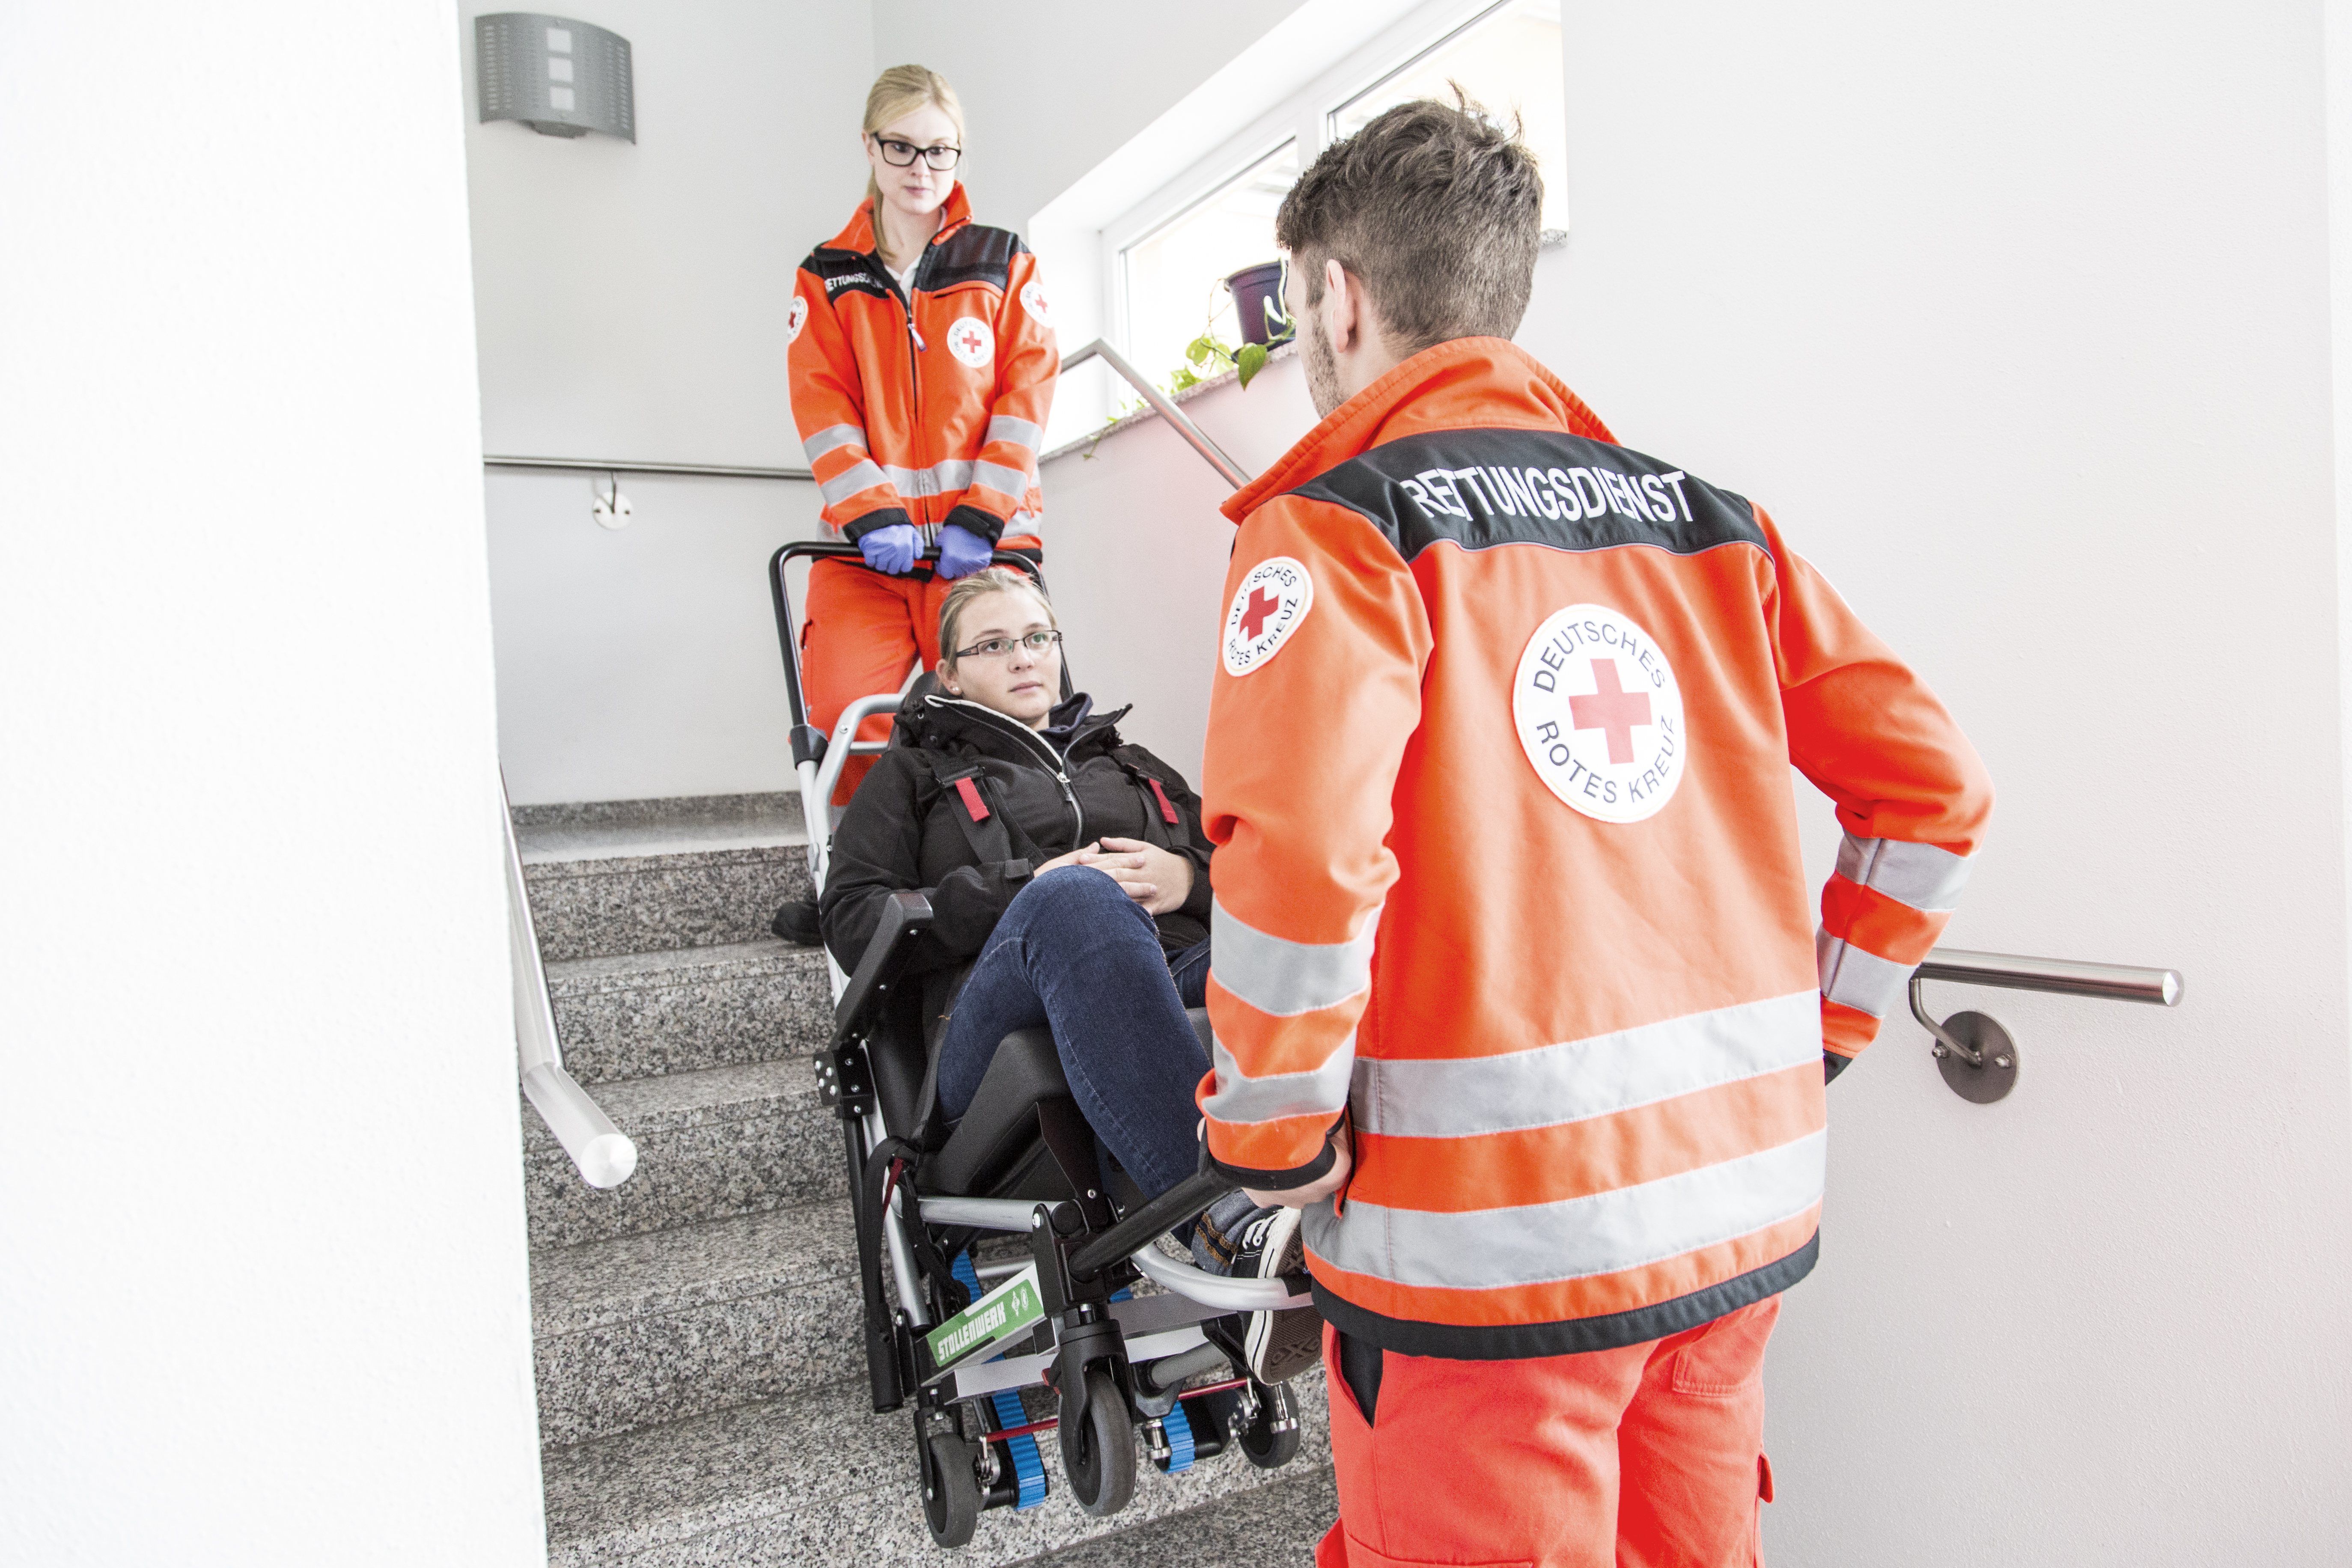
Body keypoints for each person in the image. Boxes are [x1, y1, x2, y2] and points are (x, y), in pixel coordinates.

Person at [1193, 96, 1995, 1567]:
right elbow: (1932, 789)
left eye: (1299, 302)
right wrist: (1822, 1029)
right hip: (1731, 1220)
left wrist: (1273, 1133)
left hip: (1486, 1259)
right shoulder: (1710, 526)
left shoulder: (1343, 525)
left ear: (1339, 296)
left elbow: (1301, 857)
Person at [818, 567, 1322, 1384]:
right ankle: (1218, 1230)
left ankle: (1375, 1188)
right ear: (948, 672)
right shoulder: (909, 778)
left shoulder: (1132, 763)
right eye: (992, 645)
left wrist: (1190, 878)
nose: (1023, 658)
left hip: (1168, 972)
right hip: (990, 1022)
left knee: (1311, 926)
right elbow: (852, 920)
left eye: (1036, 638)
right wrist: (1033, 886)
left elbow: (1257, 873)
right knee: (1078, 902)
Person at [777, 64, 1058, 944]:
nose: (920, 166)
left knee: (994, 707)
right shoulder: (827, 274)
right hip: (866, 556)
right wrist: (871, 514)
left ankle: (1001, 867)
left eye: (939, 149)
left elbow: (1026, 392)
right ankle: (852, 892)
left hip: (984, 550)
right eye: (901, 146)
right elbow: (820, 405)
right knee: (846, 719)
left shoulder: (1002, 260)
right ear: (869, 147)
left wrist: (981, 515)